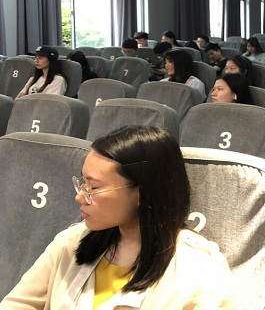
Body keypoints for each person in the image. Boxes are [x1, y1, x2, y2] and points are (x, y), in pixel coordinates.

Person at [0, 126, 231, 308]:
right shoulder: (72, 241)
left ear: (142, 192)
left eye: (94, 187)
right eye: (82, 182)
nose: (80, 196)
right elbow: (18, 304)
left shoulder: (198, 268)